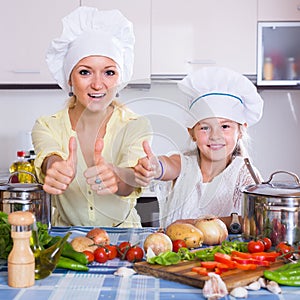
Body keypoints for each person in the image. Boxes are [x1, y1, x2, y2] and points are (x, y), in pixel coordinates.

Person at [31, 7, 152, 227]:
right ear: (69, 78)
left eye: (109, 72)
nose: (97, 84)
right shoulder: (46, 125)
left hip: (125, 242)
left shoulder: (136, 125)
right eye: (85, 72)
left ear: (119, 78)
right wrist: (55, 166)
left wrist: (117, 176)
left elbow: (132, 178)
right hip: (66, 242)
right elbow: (49, 157)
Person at [134, 66, 264, 228]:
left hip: (227, 253)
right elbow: (166, 165)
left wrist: (195, 224)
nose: (215, 136)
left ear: (240, 131)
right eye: (205, 127)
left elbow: (256, 221)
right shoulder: (184, 164)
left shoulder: (244, 173)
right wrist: (154, 166)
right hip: (177, 252)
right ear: (192, 132)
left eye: (225, 127)